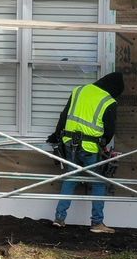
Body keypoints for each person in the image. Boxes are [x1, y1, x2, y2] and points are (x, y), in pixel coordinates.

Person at [49, 72, 124, 233]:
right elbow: (109, 130)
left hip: (70, 143)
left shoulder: (79, 90)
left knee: (70, 178)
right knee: (98, 183)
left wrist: (56, 136)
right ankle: (97, 223)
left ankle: (59, 218)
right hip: (90, 147)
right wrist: (104, 146)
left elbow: (64, 116)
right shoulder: (108, 101)